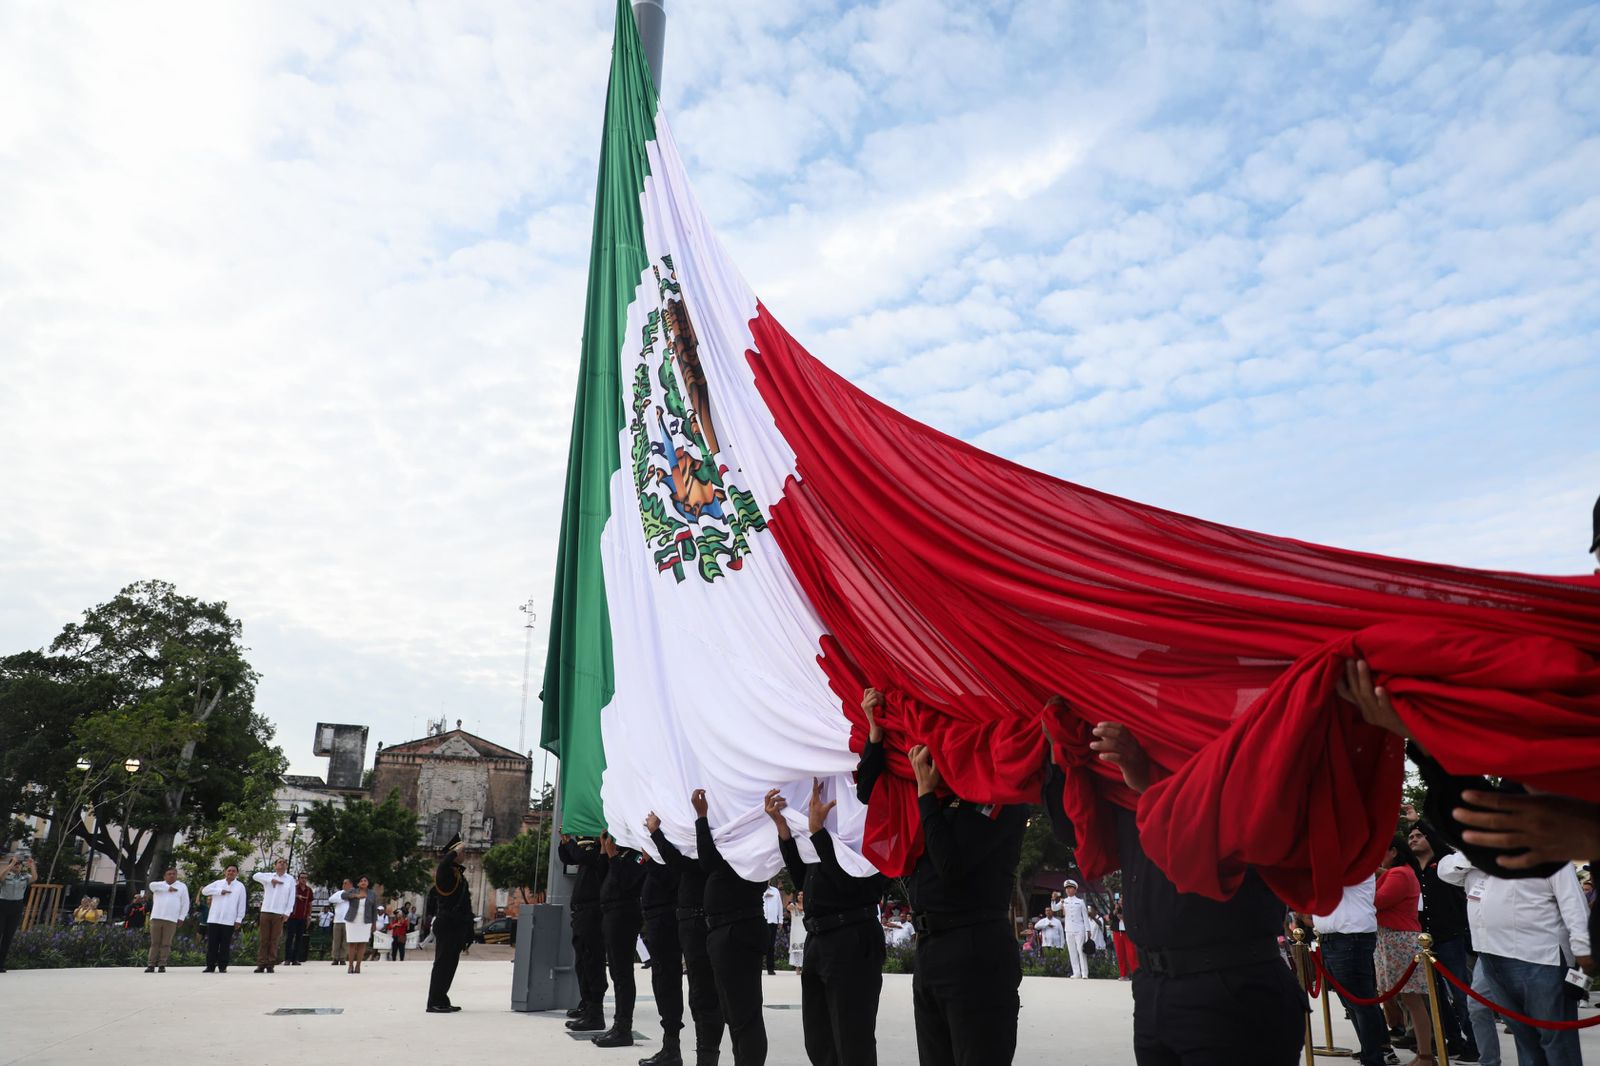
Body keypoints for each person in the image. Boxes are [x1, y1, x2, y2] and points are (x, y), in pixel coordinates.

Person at [1044, 706, 1306, 1066]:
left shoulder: (1238, 742)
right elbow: (1072, 828)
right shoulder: (1121, 759)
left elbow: (1241, 832)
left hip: (1231, 982)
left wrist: (1151, 781)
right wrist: (1060, 753)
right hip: (1153, 987)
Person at [858, 687, 1027, 1066]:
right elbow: (872, 790)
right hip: (931, 949)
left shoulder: (1000, 790)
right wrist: (876, 732)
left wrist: (925, 796)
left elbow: (950, 864)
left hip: (976, 948)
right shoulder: (931, 783)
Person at [769, 779, 888, 1066]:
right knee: (819, 1041)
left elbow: (853, 886)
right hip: (818, 941)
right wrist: (784, 831)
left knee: (852, 1041)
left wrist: (819, 833)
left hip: (852, 939)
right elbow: (805, 882)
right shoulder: (822, 844)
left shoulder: (867, 831)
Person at [1439, 849, 1593, 1066]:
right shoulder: (1477, 857)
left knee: (1555, 1041)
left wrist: (1584, 954)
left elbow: (1574, 906)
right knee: (1525, 1038)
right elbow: (1445, 871)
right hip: (1491, 956)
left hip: (1539, 958)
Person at [694, 785, 770, 1065]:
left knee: (744, 1016)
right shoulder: (745, 844)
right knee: (736, 1016)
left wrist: (702, 819)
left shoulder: (747, 846)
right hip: (727, 931)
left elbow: (708, 860)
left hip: (736, 930)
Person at [651, 811, 726, 1066]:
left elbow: (680, 864)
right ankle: (690, 1053)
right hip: (688, 921)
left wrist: (656, 836)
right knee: (699, 995)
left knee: (704, 996)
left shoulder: (705, 848)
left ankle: (706, 1059)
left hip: (698, 921)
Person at [1406, 823, 1477, 1060]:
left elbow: (1439, 840)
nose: (1413, 839)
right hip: (1425, 941)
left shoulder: (1445, 862)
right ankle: (1453, 1040)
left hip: (1450, 937)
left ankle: (1474, 1044)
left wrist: (1418, 821)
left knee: (1460, 993)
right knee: (1435, 996)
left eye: (1418, 835)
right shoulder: (1413, 869)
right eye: (1410, 836)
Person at [1313, 876, 1392, 1066]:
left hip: (1349, 938)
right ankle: (1372, 1053)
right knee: (1353, 1003)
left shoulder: (1354, 863)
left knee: (1360, 1002)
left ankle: (1375, 1057)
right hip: (1334, 939)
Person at [1375, 836, 1436, 1065]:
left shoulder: (1400, 873)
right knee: (1407, 1000)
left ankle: (1425, 1055)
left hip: (1398, 939)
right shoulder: (1399, 872)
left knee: (1412, 1000)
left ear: (1393, 852)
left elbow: (1378, 900)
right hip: (1392, 938)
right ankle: (1423, 1052)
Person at [640, 811, 686, 1066]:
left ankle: (672, 1048)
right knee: (662, 982)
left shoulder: (672, 851)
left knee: (668, 982)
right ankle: (670, 1046)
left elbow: (672, 878)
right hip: (657, 920)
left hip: (667, 919)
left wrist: (651, 854)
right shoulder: (657, 852)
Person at [595, 832, 647, 1048]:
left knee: (623, 973)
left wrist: (613, 857)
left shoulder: (637, 855)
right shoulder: (621, 853)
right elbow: (600, 876)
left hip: (623, 914)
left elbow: (626, 883)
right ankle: (618, 1025)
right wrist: (603, 851)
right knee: (616, 971)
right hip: (610, 913)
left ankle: (623, 1027)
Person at [559, 833, 610, 1032]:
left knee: (592, 962)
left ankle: (595, 1012)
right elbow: (568, 858)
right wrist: (564, 843)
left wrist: (570, 842)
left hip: (593, 912)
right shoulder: (589, 853)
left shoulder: (600, 852)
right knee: (582, 963)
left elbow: (581, 856)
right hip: (581, 912)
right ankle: (587, 1005)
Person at [426, 833, 473, 1013]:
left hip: (457, 925)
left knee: (450, 965)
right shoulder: (445, 873)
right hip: (447, 923)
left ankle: (442, 999)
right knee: (442, 964)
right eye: (462, 851)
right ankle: (433, 1002)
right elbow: (443, 864)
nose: (464, 854)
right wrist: (454, 852)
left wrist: (469, 929)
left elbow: (465, 904)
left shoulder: (458, 876)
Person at [201, 866, 247, 973]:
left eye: (233, 871)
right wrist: (219, 891)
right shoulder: (218, 883)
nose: (231, 872)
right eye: (229, 871)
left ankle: (223, 966)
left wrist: (239, 919)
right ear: (225, 872)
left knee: (225, 944)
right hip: (214, 919)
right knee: (212, 944)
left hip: (229, 920)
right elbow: (204, 891)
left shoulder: (240, 886)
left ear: (237, 873)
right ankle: (210, 966)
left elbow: (242, 904)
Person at [252, 858, 295, 973]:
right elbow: (255, 875)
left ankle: (270, 964)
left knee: (274, 939)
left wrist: (287, 913)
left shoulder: (290, 879)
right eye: (280, 862)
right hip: (266, 911)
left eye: (284, 862)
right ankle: (261, 963)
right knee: (264, 939)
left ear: (286, 866)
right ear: (275, 865)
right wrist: (272, 880)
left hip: (279, 913)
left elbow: (291, 898)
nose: (282, 864)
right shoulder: (269, 876)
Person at [143, 867, 188, 973]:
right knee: (155, 942)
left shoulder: (182, 887)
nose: (171, 875)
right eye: (169, 874)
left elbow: (185, 903)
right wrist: (168, 888)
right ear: (165, 876)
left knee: (166, 943)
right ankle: (151, 964)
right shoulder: (159, 886)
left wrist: (181, 917)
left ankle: (162, 964)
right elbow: (151, 885)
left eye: (174, 874)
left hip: (171, 919)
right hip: (156, 917)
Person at [1, 850, 37, 973]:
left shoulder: (24, 877)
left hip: (16, 907)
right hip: (3, 905)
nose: (17, 866)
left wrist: (32, 865)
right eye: (16, 864)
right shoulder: (7, 875)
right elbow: (0, 877)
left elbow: (35, 878)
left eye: (19, 864)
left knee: (8, 936)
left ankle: (0, 964)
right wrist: (11, 864)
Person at [342, 876, 378, 974]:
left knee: (362, 943)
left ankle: (358, 965)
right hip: (352, 920)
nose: (363, 882)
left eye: (365, 880)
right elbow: (343, 896)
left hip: (365, 921)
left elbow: (374, 909)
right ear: (358, 883)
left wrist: (374, 923)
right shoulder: (353, 890)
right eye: (361, 881)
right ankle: (350, 966)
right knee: (352, 943)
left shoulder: (372, 894)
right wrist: (356, 896)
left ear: (368, 883)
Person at [1060, 880, 1089, 979]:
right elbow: (1054, 908)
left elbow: (1085, 917)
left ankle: (1084, 973)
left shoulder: (1080, 902)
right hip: (1068, 929)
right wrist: (1053, 899)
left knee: (1081, 950)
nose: (1068, 890)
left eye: (1070, 888)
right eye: (1067, 888)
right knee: (1072, 952)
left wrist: (1088, 931)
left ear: (1075, 890)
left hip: (1079, 929)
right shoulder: (1064, 901)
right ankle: (1076, 972)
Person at [285, 872, 313, 966]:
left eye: (305, 878)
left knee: (299, 939)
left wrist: (309, 916)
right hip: (292, 917)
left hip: (302, 918)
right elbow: (287, 898)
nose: (303, 880)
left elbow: (310, 904)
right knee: (289, 938)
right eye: (302, 878)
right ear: (298, 879)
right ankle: (287, 958)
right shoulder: (294, 889)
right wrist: (296, 896)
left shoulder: (309, 890)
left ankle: (295, 959)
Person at [326, 877, 354, 966]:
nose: (344, 885)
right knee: (336, 940)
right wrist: (342, 899)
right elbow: (330, 899)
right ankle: (335, 958)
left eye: (346, 883)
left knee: (345, 941)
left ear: (350, 885)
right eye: (343, 883)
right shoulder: (339, 893)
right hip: (337, 920)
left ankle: (342, 958)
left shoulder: (353, 894)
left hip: (347, 921)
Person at [1110, 899, 1138, 980]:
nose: (1120, 902)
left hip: (1128, 932)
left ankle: (1136, 974)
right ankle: (1123, 974)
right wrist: (1115, 910)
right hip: (1118, 932)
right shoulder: (1115, 905)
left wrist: (1124, 916)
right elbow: (1110, 916)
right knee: (1120, 954)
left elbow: (1134, 916)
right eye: (1120, 901)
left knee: (1131, 954)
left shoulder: (1130, 906)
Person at [762, 881, 783, 976]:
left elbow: (780, 905)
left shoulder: (775, 891)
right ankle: (758, 967)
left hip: (773, 921)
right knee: (759, 944)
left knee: (771, 946)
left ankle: (770, 968)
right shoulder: (758, 890)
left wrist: (781, 920)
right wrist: (765, 895)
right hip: (761, 920)